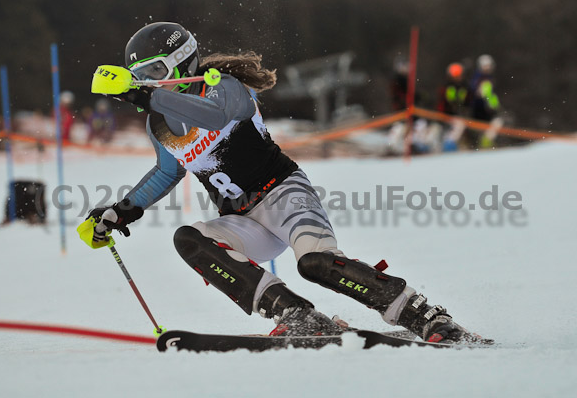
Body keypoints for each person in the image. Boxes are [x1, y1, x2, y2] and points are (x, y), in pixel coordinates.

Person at [82, 22, 488, 344]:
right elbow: (167, 172)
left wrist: (147, 95)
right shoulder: (159, 123)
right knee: (188, 238)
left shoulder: (224, 88)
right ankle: (296, 314)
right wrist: (121, 211)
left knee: (316, 264)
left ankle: (424, 315)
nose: (148, 82)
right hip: (244, 220)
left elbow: (213, 118)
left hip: (284, 194)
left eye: (154, 72)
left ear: (182, 61)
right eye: (140, 76)